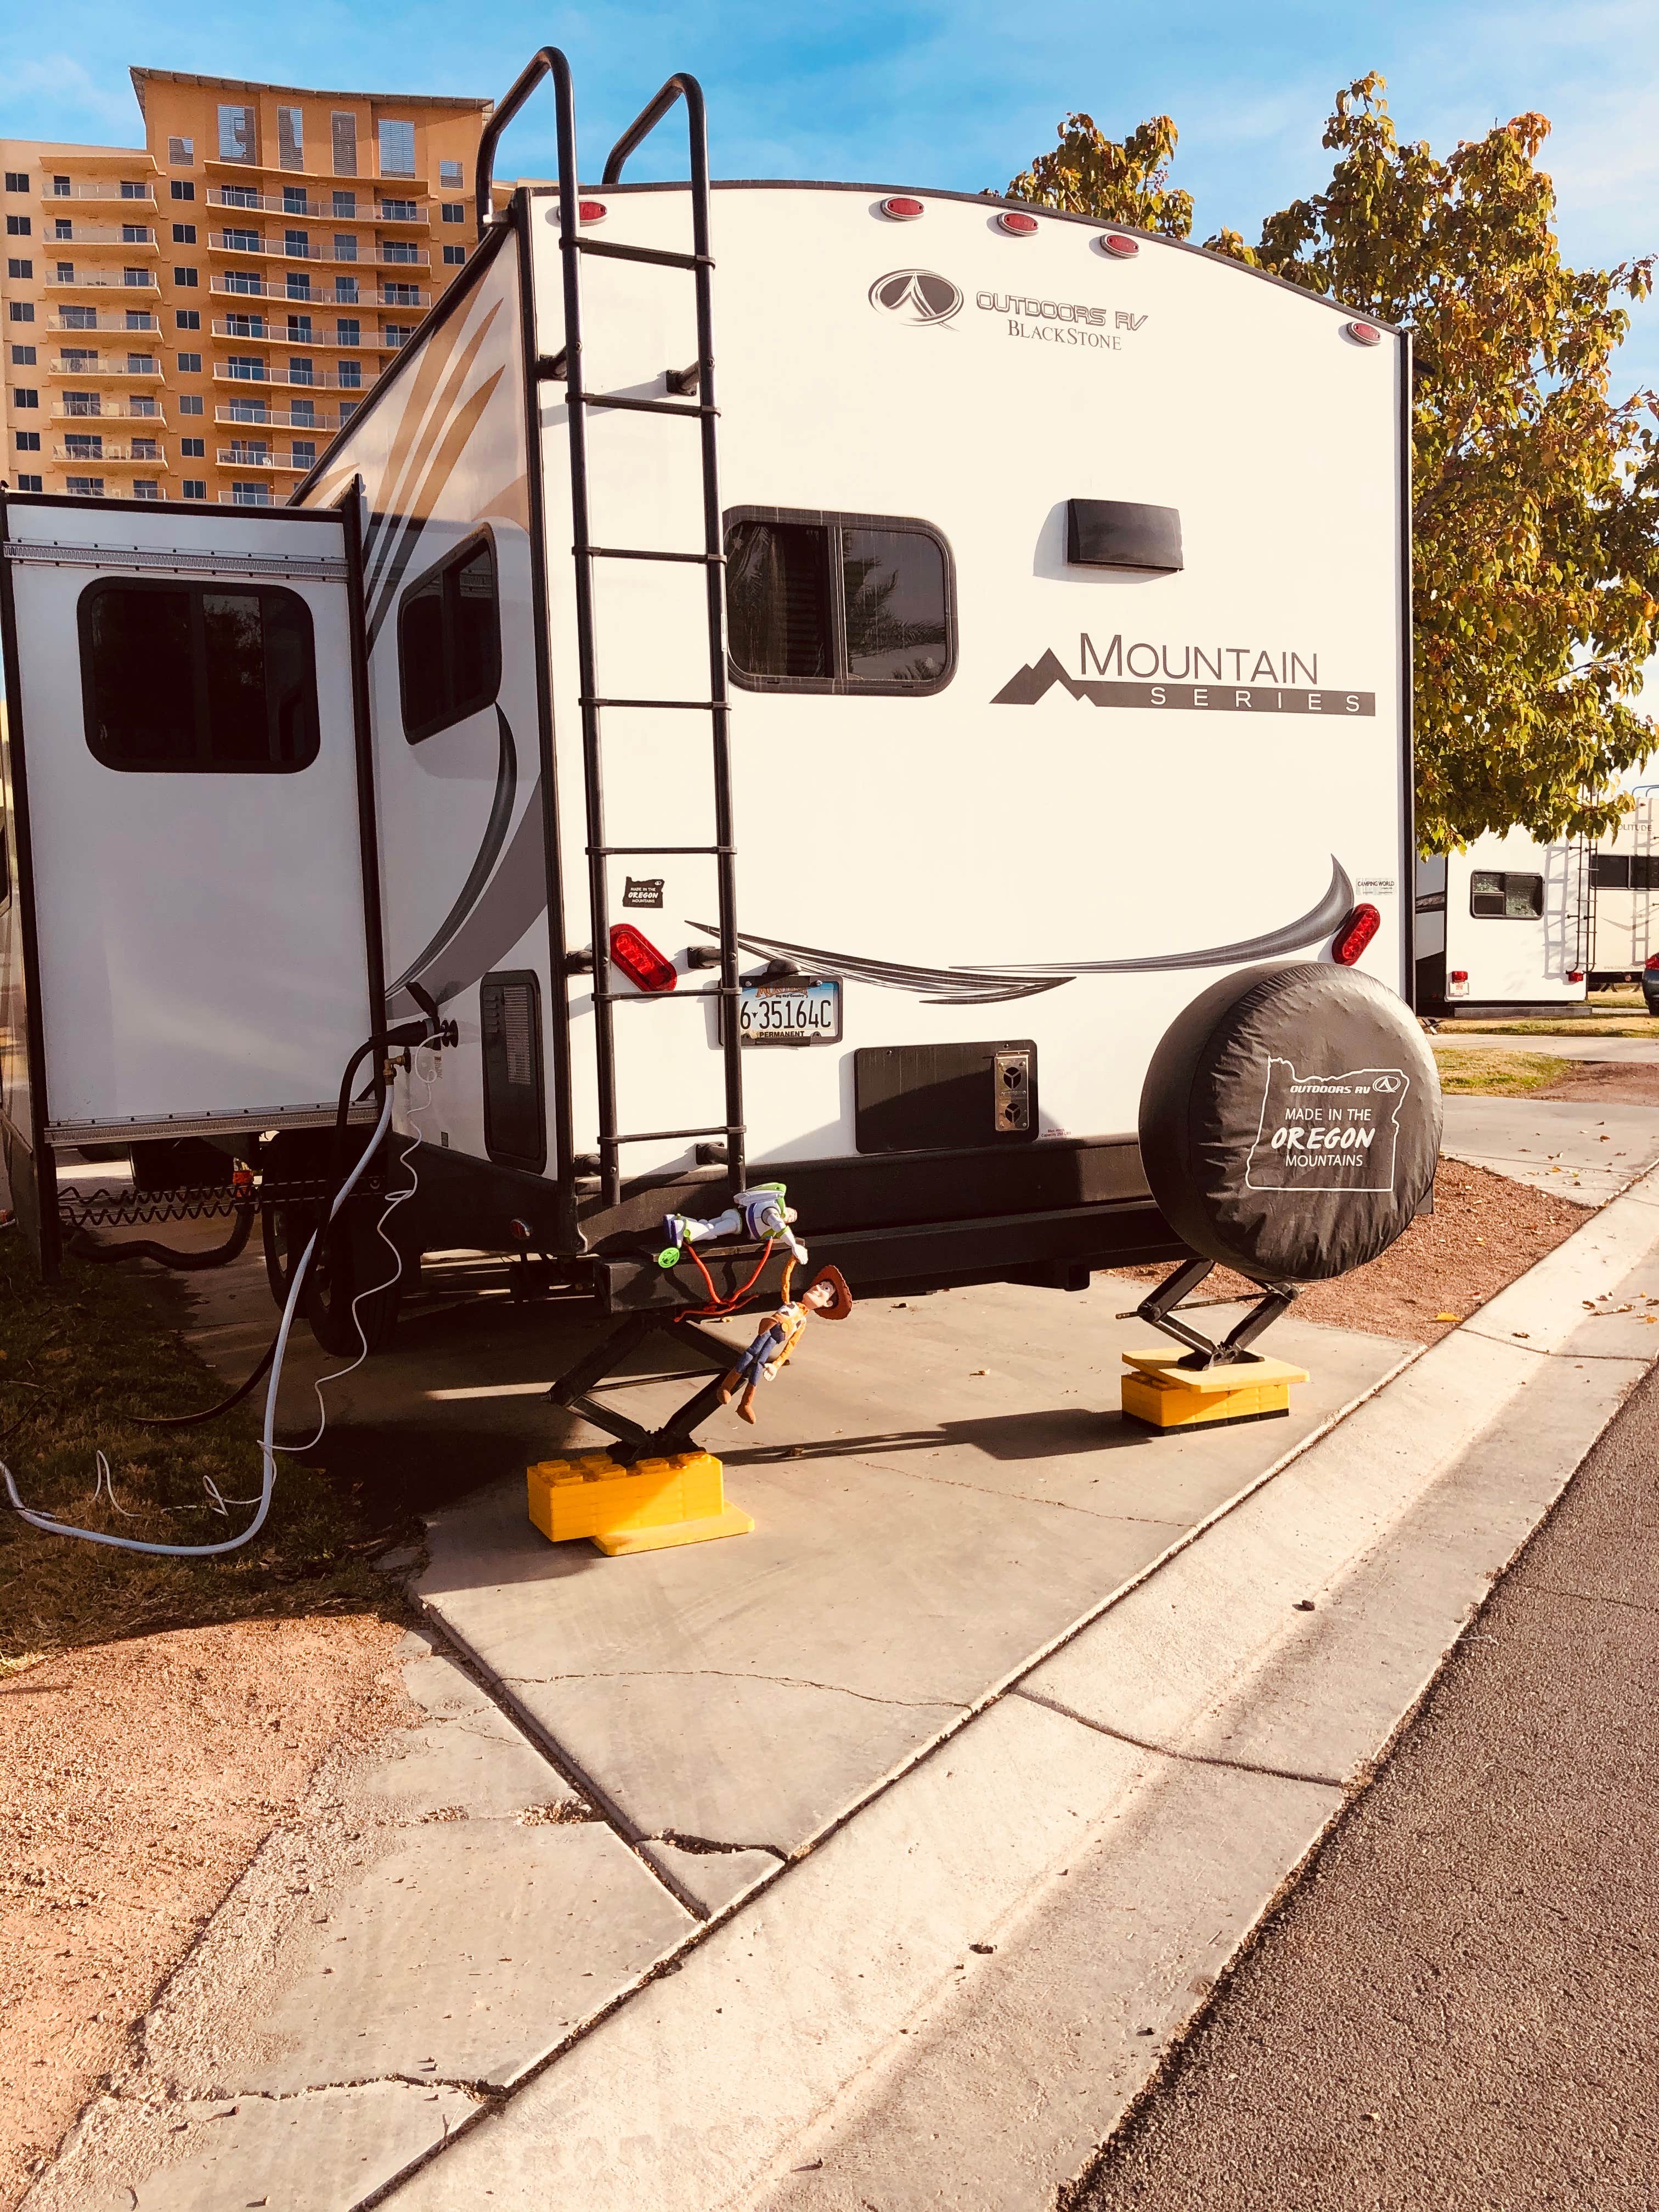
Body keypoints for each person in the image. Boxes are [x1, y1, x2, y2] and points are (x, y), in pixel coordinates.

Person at [719, 1266, 853, 1424]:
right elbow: (786, 1280)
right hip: (769, 1327)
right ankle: (726, 1387)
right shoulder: (792, 1304)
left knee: (759, 1364)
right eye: (820, 1284)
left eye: (826, 1289)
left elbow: (791, 1346)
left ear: (828, 1303)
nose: (818, 1288)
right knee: (750, 1353)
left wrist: (776, 1365)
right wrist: (793, 1260)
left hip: (775, 1340)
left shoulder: (802, 1323)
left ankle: (746, 1404)